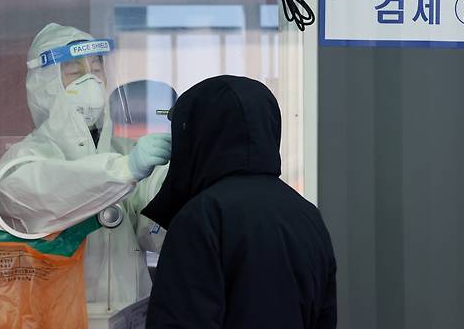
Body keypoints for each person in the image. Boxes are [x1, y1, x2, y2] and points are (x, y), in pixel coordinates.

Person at [0, 23, 170, 309]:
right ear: (44, 85)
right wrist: (124, 171)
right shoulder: (24, 161)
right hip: (61, 318)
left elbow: (155, 231)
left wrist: (176, 176)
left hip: (129, 312)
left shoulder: (124, 151)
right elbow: (52, 190)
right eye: (75, 73)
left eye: (96, 71)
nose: (91, 81)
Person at [142, 75, 337, 328]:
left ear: (199, 134)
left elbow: (179, 320)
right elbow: (325, 316)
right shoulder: (306, 214)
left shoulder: (203, 215)